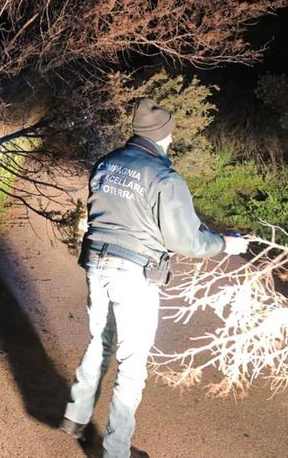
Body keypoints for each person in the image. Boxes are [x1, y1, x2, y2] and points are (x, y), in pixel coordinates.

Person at [59, 98, 248, 457]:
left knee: (101, 339)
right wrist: (224, 243)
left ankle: (76, 415)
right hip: (133, 275)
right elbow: (186, 240)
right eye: (171, 135)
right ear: (162, 136)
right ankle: (117, 451)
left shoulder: (107, 163)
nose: (172, 141)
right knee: (132, 364)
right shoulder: (163, 176)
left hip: (96, 266)